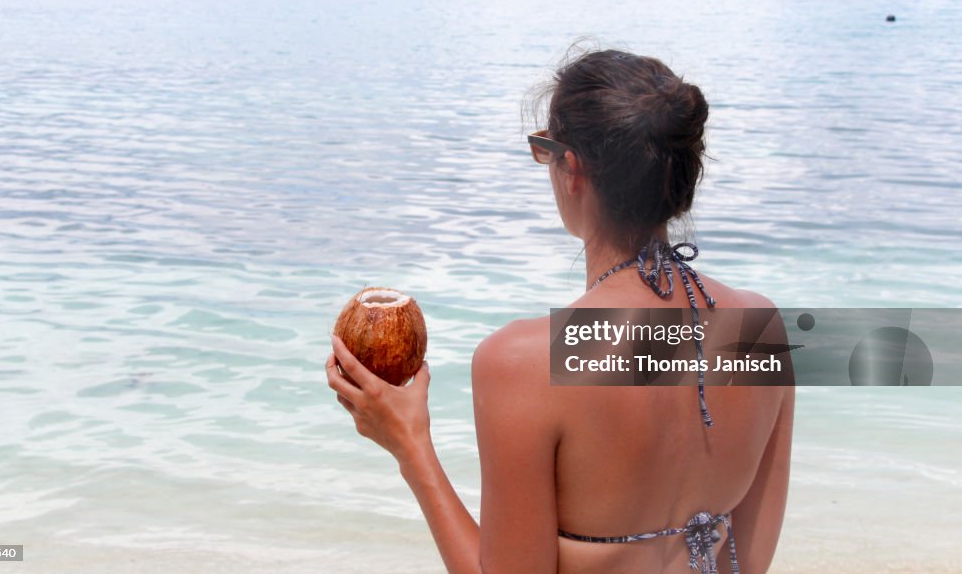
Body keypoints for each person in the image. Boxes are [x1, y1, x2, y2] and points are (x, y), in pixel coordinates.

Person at [325, 48, 795, 573]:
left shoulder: (523, 359)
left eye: (542, 150)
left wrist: (409, 445)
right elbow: (750, 563)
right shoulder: (762, 328)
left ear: (571, 167)